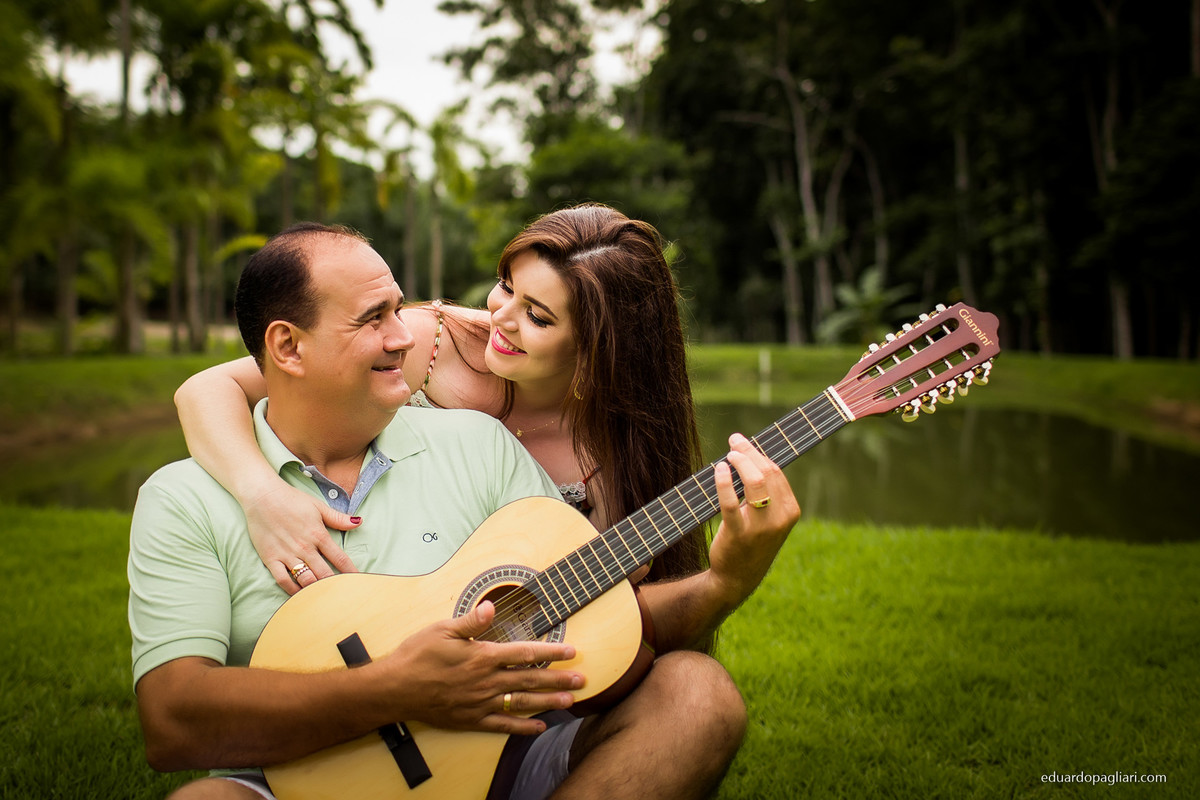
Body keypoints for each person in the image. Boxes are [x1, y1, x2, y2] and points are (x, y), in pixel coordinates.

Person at [131, 222, 801, 799]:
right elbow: (172, 720)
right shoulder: (183, 498)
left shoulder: (480, 443)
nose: (410, 335)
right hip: (298, 776)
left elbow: (599, 619)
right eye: (375, 319)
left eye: (401, 309)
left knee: (695, 692)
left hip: (506, 759)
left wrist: (724, 581)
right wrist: (395, 690)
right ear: (288, 346)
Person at [175, 205, 708, 607]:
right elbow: (205, 389)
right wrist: (262, 496)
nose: (499, 317)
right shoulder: (427, 344)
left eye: (538, 317)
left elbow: (605, 600)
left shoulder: (613, 446)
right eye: (506, 286)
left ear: (599, 349)